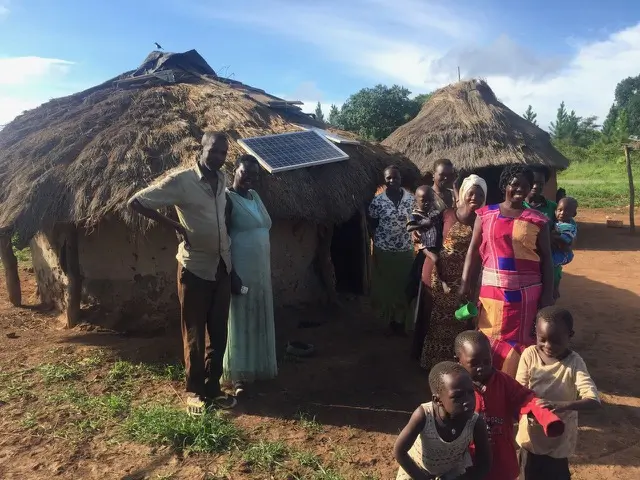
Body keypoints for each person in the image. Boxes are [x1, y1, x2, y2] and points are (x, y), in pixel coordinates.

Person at [128, 132, 239, 412]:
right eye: (214, 151)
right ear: (200, 149)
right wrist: (175, 226)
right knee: (194, 332)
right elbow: (136, 202)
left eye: (223, 153)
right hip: (195, 268)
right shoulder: (181, 181)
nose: (219, 157)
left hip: (222, 266)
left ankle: (213, 387)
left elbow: (222, 210)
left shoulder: (223, 177)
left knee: (219, 331)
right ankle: (195, 391)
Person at [460, 165, 554, 378]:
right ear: (505, 186)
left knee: (522, 343)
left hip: (526, 296)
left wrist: (548, 294)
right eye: (515, 184)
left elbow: (547, 258)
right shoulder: (485, 215)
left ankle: (516, 388)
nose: (520, 189)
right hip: (492, 293)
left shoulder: (537, 219)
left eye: (525, 186)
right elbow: (473, 251)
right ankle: (488, 387)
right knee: (489, 337)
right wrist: (466, 282)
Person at [455, 330, 564, 480]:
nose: (482, 367)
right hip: (467, 459)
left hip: (500, 458)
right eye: (474, 363)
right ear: (458, 360)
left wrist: (547, 418)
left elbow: (526, 398)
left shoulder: (504, 382)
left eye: (487, 361)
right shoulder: (455, 387)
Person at [516, 307, 601, 480]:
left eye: (556, 341)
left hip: (559, 443)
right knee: (527, 474)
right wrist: (528, 409)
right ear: (536, 333)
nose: (548, 346)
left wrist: (560, 406)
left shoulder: (574, 362)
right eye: (543, 339)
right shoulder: (529, 355)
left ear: (570, 335)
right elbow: (518, 391)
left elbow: (593, 401)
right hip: (530, 439)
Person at [417, 175, 487, 370]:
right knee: (435, 321)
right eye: (471, 193)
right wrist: (433, 257)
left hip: (466, 281)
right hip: (440, 279)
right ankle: (432, 364)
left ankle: (456, 364)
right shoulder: (446, 215)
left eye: (480, 194)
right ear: (464, 193)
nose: (475, 197)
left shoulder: (484, 221)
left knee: (460, 322)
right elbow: (425, 239)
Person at [223, 155, 277, 397]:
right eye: (245, 173)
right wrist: (231, 273)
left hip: (260, 272)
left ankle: (257, 367)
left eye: (255, 175)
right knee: (240, 320)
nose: (249, 179)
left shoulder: (255, 197)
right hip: (241, 272)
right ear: (235, 170)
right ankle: (238, 377)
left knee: (257, 318)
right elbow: (223, 239)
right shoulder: (227, 199)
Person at [394, 361, 491, 480]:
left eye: (471, 393)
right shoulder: (424, 415)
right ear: (437, 400)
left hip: (452, 473)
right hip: (418, 470)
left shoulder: (475, 422)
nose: (468, 401)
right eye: (457, 396)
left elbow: (484, 464)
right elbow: (399, 451)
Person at [368, 165, 415, 335]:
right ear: (384, 180)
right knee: (386, 286)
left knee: (404, 285)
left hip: (405, 249)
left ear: (401, 179)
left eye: (395, 177)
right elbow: (372, 224)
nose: (392, 181)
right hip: (384, 249)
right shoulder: (378, 201)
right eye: (388, 178)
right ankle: (388, 320)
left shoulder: (411, 199)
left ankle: (401, 320)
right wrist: (379, 241)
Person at [523, 167, 563, 298]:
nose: (536, 186)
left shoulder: (553, 208)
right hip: (525, 266)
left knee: (547, 303)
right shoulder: (518, 207)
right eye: (533, 182)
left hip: (548, 265)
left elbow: (568, 231)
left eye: (540, 183)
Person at [406, 185, 445, 302]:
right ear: (416, 200)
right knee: (417, 282)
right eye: (424, 201)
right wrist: (423, 224)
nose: (427, 203)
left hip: (437, 249)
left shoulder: (435, 214)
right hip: (424, 251)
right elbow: (410, 227)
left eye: (430, 200)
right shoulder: (414, 215)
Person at [551, 197, 578, 268]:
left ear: (574, 214)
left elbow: (564, 242)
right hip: (557, 251)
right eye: (560, 210)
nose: (562, 213)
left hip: (564, 254)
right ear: (555, 211)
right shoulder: (559, 222)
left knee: (547, 263)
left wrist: (551, 236)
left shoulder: (569, 227)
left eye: (567, 211)